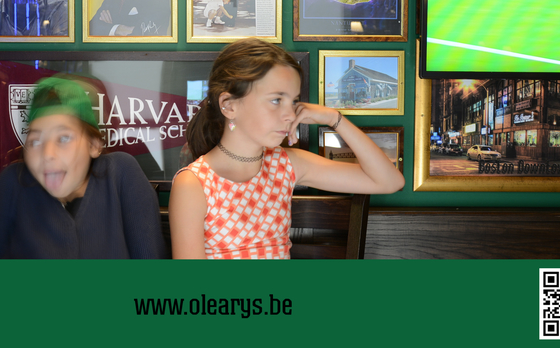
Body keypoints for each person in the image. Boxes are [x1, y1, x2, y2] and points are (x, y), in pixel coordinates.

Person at [169, 38, 405, 259]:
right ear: (229, 106)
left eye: (293, 101)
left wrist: (334, 118)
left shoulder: (286, 164)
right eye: (276, 100)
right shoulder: (193, 184)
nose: (291, 115)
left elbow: (389, 181)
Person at [0, 75, 167, 259]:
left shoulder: (121, 173)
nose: (47, 154)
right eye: (35, 141)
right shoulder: (14, 183)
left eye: (64, 138)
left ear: (94, 145)